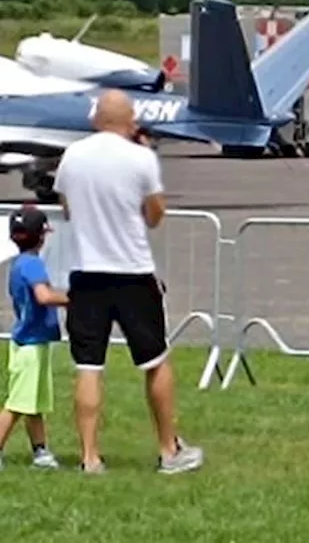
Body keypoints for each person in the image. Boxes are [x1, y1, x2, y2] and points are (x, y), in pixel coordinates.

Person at [51, 90, 203, 475]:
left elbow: (68, 208)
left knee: (89, 365)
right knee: (155, 360)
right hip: (132, 271)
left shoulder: (73, 156)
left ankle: (89, 456)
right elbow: (155, 215)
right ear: (129, 119)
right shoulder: (141, 158)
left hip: (86, 272)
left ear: (96, 119)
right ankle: (169, 449)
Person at [0, 206, 68, 470]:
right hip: (29, 345)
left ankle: (40, 451)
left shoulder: (20, 264)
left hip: (33, 342)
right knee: (17, 404)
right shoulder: (33, 264)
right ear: (41, 236)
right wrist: (75, 299)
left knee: (33, 403)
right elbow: (44, 296)